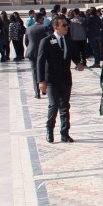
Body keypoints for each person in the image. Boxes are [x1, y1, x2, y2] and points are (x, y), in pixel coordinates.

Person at [37, 14, 86, 143]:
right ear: (56, 27)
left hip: (65, 79)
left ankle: (65, 133)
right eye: (64, 25)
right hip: (52, 80)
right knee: (54, 105)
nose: (67, 27)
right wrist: (41, 81)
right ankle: (49, 130)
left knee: (65, 107)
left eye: (67, 24)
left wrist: (79, 63)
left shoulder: (69, 41)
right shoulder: (46, 41)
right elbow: (40, 62)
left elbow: (75, 56)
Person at [24, 12, 49, 98]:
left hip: (32, 52)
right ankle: (44, 90)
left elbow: (26, 42)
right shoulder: (44, 28)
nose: (43, 20)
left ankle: (37, 92)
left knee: (34, 72)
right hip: (43, 52)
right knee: (44, 70)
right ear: (39, 19)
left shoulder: (29, 28)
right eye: (42, 19)